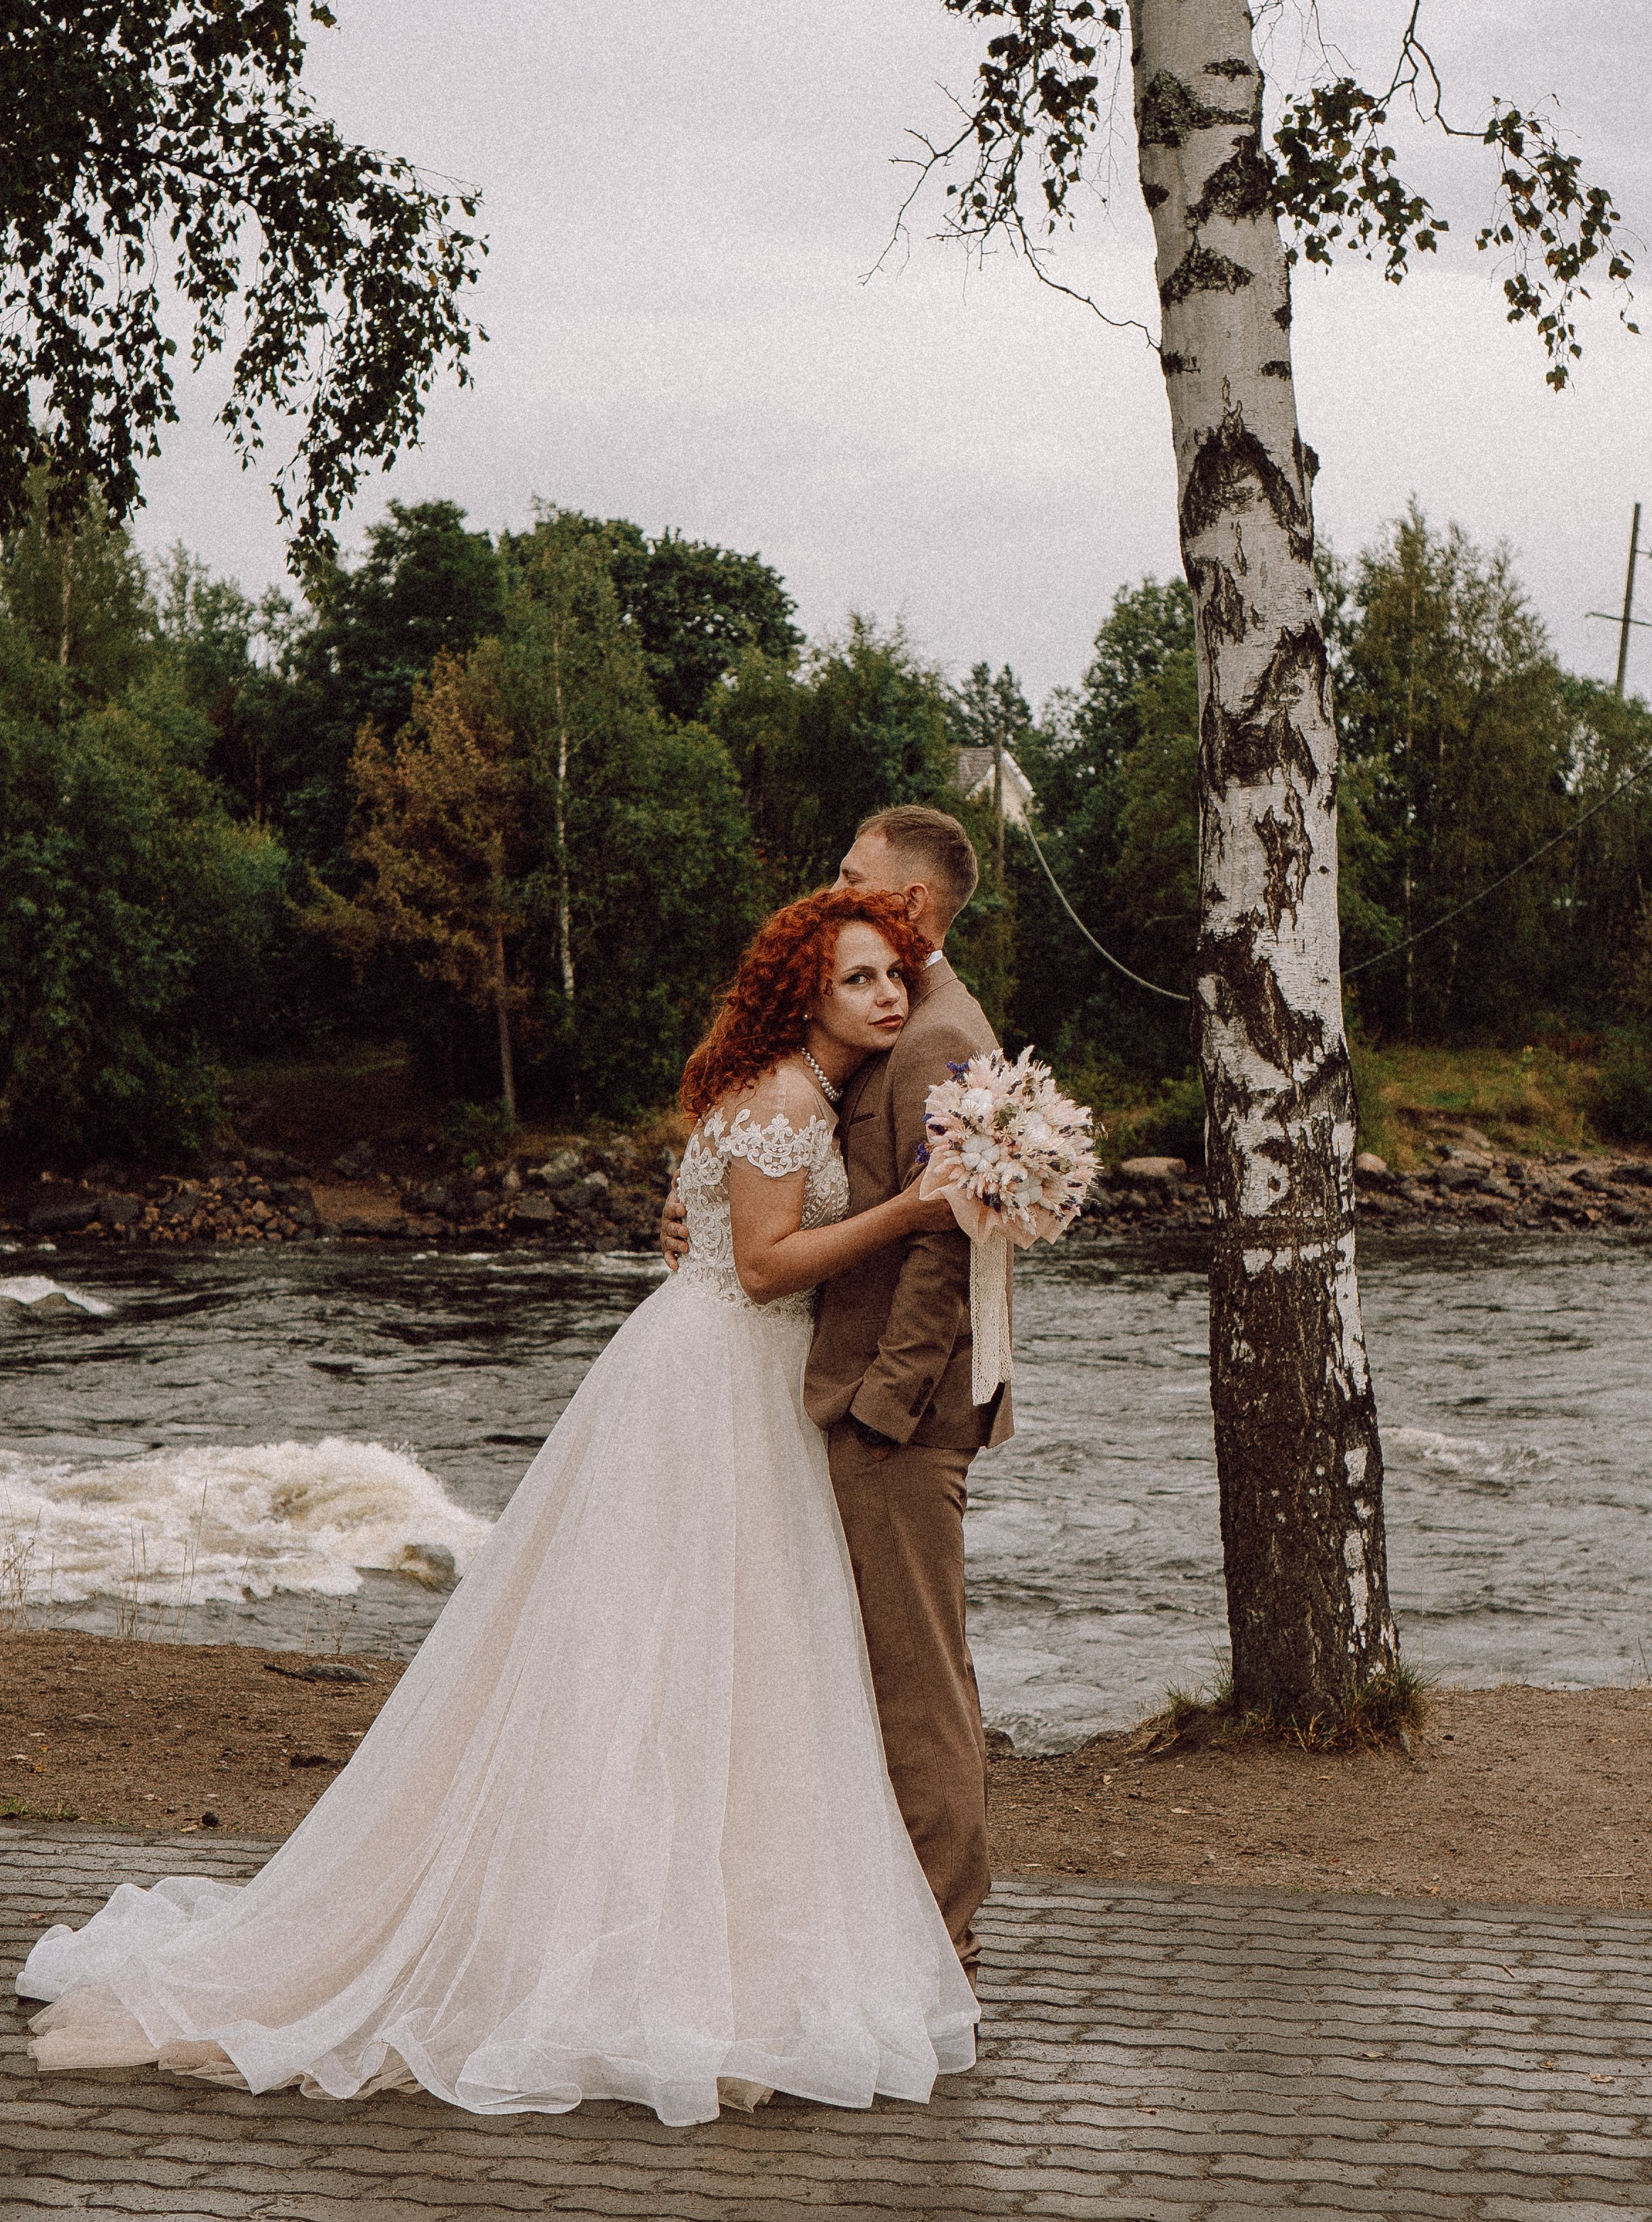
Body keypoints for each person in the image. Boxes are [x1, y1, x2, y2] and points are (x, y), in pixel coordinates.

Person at [17, 891, 979, 2128]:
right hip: (715, 1387)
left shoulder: (798, 1090)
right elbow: (755, 1264)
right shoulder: (792, 1100)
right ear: (807, 993)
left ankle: (699, 1927)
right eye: (859, 979)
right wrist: (910, 1209)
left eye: (894, 975)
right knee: (686, 1652)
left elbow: (715, 1237)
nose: (887, 996)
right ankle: (649, 1950)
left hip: (716, 1375)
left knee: (712, 1660)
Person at [663, 805, 1011, 1981]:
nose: (832, 886)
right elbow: (795, 1177)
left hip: (891, 1412)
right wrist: (703, 1209)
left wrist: (883, 1406)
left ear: (909, 906)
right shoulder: (887, 1028)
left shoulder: (934, 1038)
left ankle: (942, 1941)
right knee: (853, 1665)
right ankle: (886, 1924)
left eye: (852, 874)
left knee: (917, 1683)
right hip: (818, 1384)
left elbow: (947, 1246)